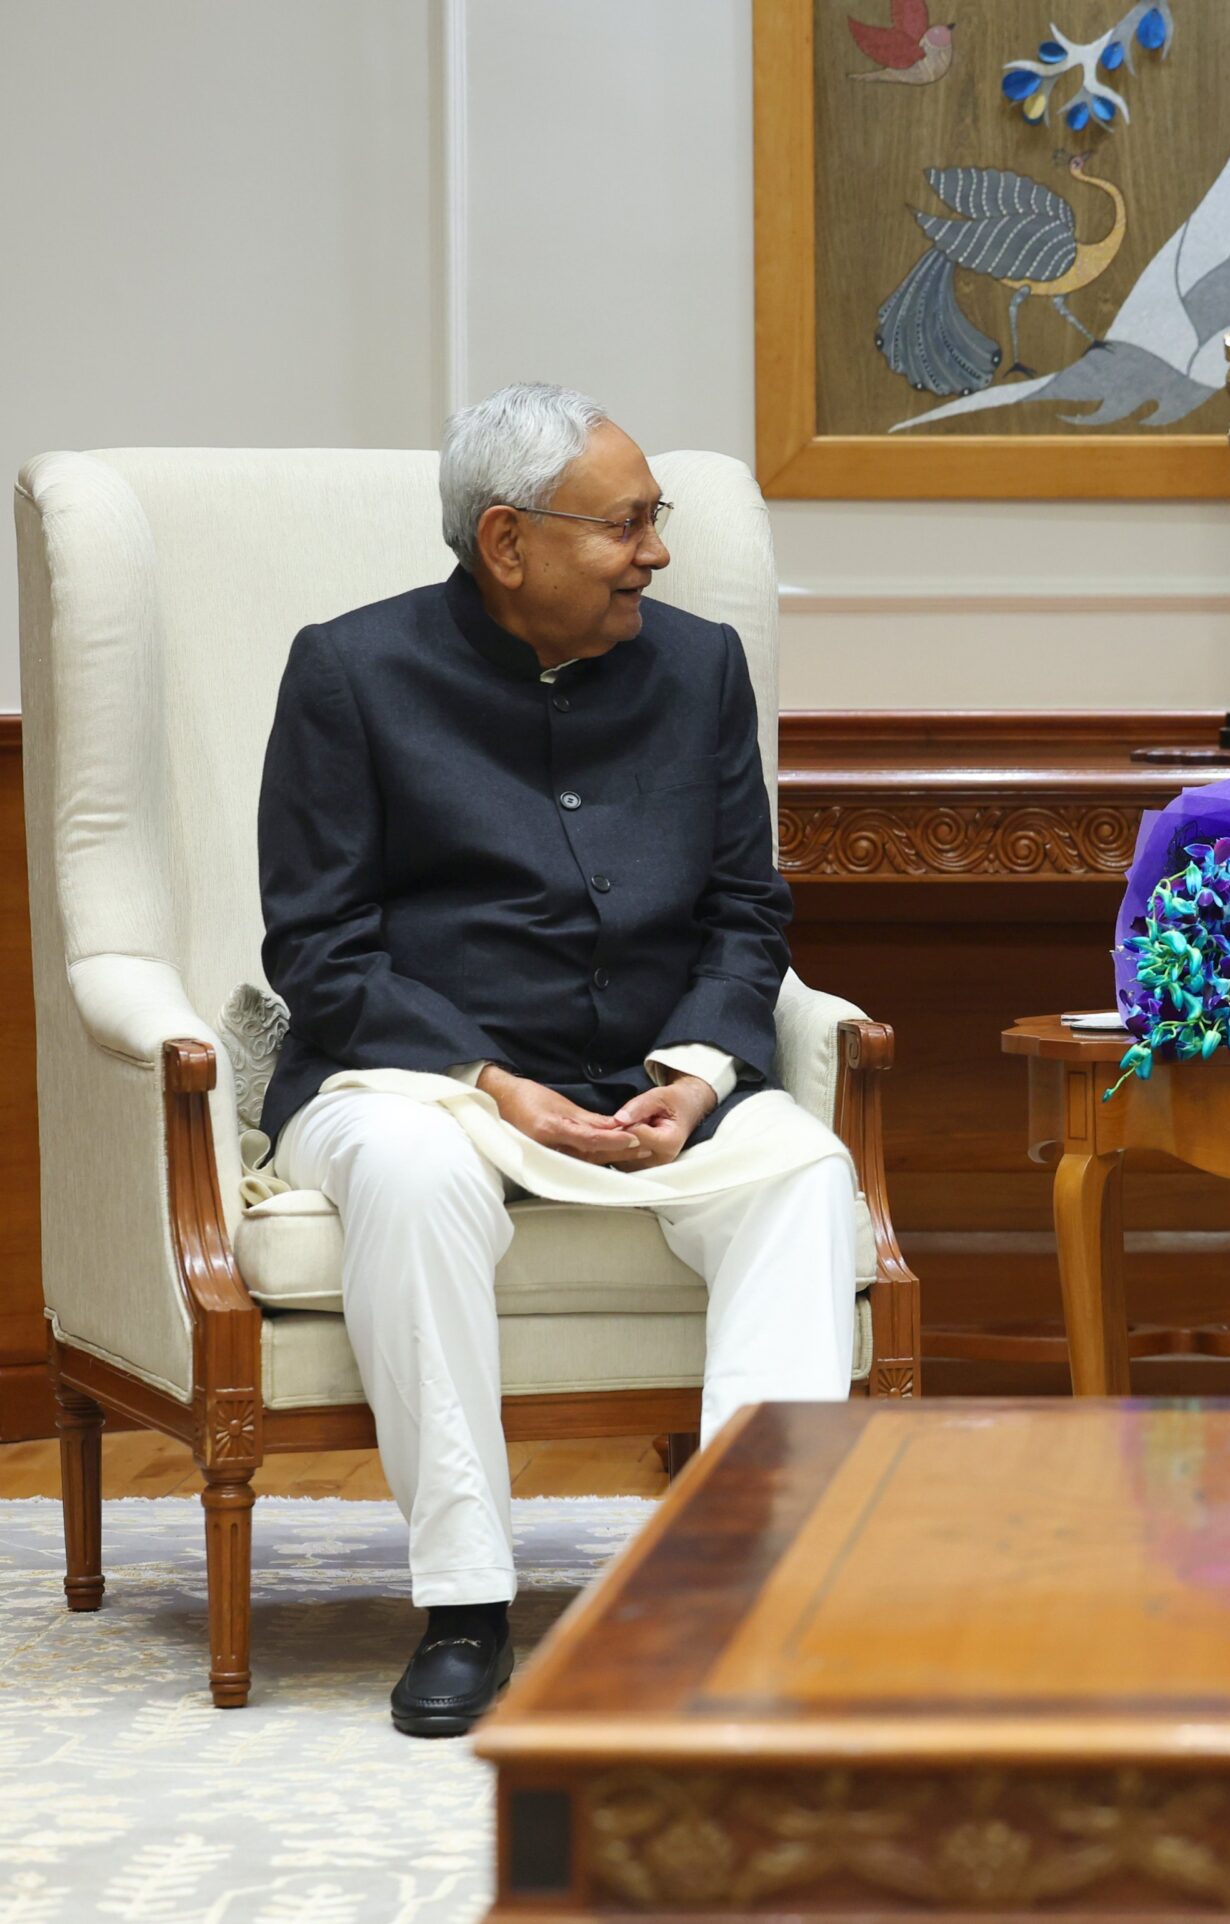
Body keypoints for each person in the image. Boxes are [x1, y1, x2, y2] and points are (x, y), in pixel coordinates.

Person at [257, 382, 863, 1736]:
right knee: (413, 1176)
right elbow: (319, 949)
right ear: (506, 541)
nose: (656, 551)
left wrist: (704, 1069)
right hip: (415, 1079)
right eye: (627, 525)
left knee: (807, 1176)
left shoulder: (700, 666)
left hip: (655, 1076)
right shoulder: (351, 672)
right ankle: (466, 1608)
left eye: (660, 521)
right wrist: (487, 1081)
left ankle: (738, 1591)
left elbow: (744, 912)